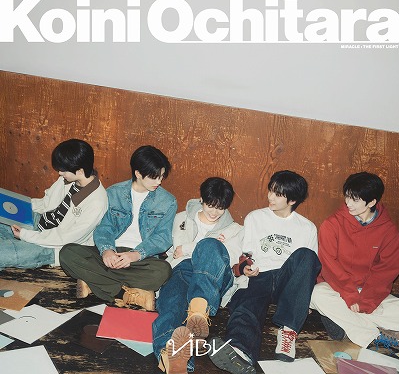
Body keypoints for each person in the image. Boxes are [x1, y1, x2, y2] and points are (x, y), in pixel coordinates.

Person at [209, 170, 321, 374]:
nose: (270, 197)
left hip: (287, 280)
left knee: (307, 255)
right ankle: (239, 351)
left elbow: (308, 268)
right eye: (271, 191)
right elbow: (246, 253)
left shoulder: (307, 228)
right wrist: (245, 267)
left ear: (292, 200)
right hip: (260, 274)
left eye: (278, 194)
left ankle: (288, 332)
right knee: (247, 303)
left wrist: (304, 298)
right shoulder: (255, 217)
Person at [60, 145, 177, 311]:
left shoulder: (168, 201)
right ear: (138, 173)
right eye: (154, 177)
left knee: (163, 271)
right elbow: (104, 227)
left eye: (162, 176)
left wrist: (136, 254)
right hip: (112, 253)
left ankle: (94, 283)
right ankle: (126, 293)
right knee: (67, 253)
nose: (159, 181)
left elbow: (163, 238)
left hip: (141, 260)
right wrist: (107, 250)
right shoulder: (114, 193)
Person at [152, 177, 244, 374]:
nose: (214, 212)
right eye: (210, 205)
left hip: (216, 275)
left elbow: (231, 257)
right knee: (171, 305)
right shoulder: (181, 219)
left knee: (211, 246)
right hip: (183, 269)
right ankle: (169, 357)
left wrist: (188, 248)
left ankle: (198, 311)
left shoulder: (235, 230)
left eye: (220, 208)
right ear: (201, 199)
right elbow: (173, 252)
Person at [310, 172, 399, 350]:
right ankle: (373, 336)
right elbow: (329, 265)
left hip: (370, 293)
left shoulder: (388, 230)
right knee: (316, 295)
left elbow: (387, 270)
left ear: (372, 202)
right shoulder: (332, 224)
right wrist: (350, 296)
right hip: (336, 289)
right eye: (347, 197)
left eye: (355, 199)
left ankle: (347, 323)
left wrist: (366, 301)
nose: (348, 203)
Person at [0, 138, 108, 270]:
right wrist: (21, 207)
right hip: (39, 222)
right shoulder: (68, 179)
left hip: (54, 245)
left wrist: (25, 235)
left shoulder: (97, 202)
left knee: (3, 254)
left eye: (63, 170)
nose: (60, 173)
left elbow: (65, 238)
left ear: (80, 171)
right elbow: (46, 203)